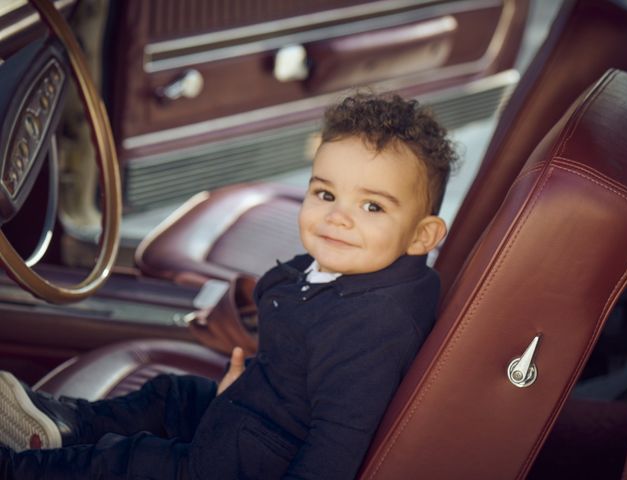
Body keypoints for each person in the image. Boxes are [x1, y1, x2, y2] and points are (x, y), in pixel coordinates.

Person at [0, 92, 458, 479]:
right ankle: (65, 425)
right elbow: (301, 358)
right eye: (325, 194)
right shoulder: (351, 270)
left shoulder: (374, 330)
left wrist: (247, 405)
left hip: (251, 458)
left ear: (422, 235)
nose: (338, 216)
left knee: (134, 461)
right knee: (171, 395)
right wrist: (249, 387)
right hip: (259, 412)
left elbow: (336, 444)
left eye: (372, 207)